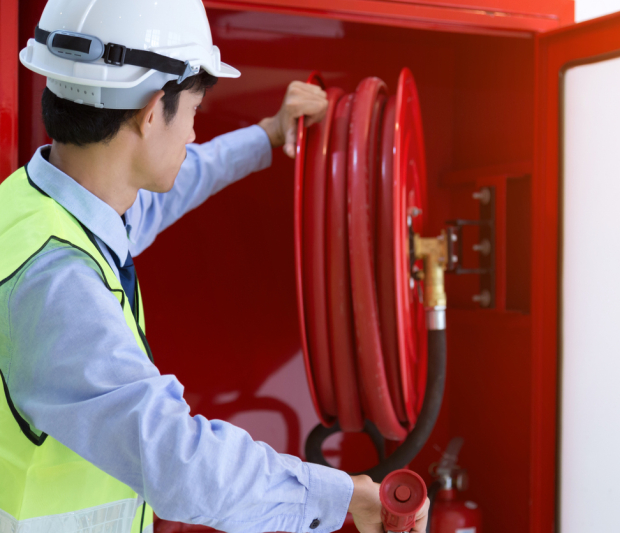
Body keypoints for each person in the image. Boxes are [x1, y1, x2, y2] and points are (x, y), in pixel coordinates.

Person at [0, 1, 429, 533]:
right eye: (194, 115)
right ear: (153, 110)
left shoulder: (35, 209)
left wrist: (269, 134)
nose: (193, 136)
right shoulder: (56, 284)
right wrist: (343, 497)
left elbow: (164, 192)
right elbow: (183, 466)